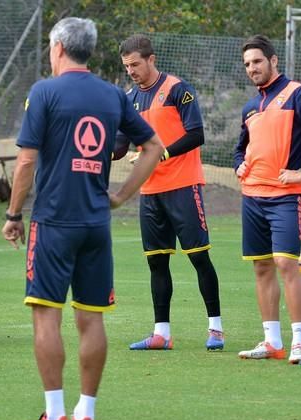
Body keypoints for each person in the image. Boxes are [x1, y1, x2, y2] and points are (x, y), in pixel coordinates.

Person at [2, 17, 163, 420]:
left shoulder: (45, 92)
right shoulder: (113, 94)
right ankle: (85, 414)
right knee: (91, 320)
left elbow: (25, 161)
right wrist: (122, 195)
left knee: (46, 317)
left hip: (54, 222)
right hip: (95, 223)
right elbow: (154, 146)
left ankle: (55, 416)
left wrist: (13, 214)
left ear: (57, 47)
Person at [117, 34, 224, 351]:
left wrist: (159, 154)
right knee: (156, 263)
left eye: (135, 64)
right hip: (149, 191)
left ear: (152, 59)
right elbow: (121, 146)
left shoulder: (178, 89)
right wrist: (97, 153)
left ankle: (216, 329)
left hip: (183, 186)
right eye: (127, 67)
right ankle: (161, 334)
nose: (132, 71)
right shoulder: (129, 99)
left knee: (199, 258)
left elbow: (197, 134)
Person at [234, 35, 301, 364]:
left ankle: (299, 341)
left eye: (257, 61)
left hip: (286, 197)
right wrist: (238, 163)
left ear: (273, 61)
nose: (252, 68)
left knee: (287, 264)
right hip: (252, 197)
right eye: (246, 64)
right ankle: (272, 341)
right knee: (261, 267)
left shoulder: (300, 94)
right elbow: (240, 148)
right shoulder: (249, 107)